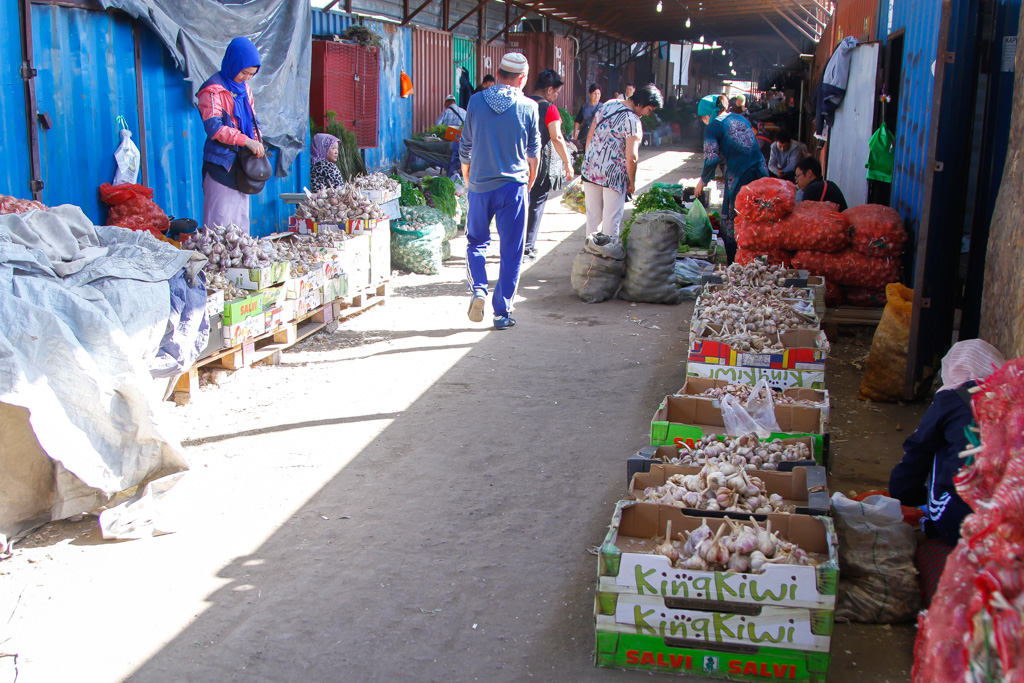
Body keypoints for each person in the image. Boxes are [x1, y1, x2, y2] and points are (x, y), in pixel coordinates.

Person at [889, 340, 1005, 603]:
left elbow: (917, 450)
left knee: (940, 445)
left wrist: (903, 492)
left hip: (959, 519)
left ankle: (934, 516)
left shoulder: (951, 399)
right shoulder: (1011, 401)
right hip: (1008, 521)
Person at [459, 52, 540, 331]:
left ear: (499, 72)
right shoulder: (528, 106)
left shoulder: (476, 100)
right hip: (514, 187)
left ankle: (479, 290)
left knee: (476, 242)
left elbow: (465, 144)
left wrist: (468, 174)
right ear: (522, 78)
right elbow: (534, 152)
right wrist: (530, 179)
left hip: (480, 186)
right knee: (511, 252)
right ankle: (501, 313)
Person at [197, 36, 265, 234]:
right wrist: (247, 141)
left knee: (240, 225)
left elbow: (254, 121)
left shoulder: (245, 90)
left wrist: (256, 137)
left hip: (242, 167)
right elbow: (214, 128)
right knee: (219, 225)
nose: (246, 78)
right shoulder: (212, 90)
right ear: (233, 63)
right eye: (244, 72)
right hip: (221, 166)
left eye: (251, 74)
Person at [580, 84, 663, 240]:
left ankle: (591, 258)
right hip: (613, 176)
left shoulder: (609, 104)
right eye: (649, 109)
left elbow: (590, 135)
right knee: (611, 222)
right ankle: (608, 259)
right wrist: (632, 181)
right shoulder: (633, 121)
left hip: (591, 170)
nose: (647, 114)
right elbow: (631, 157)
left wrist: (589, 161)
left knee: (593, 219)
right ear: (640, 103)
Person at [692, 93, 767, 263]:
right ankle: (760, 259)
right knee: (762, 212)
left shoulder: (713, 127)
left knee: (732, 219)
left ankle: (736, 263)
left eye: (702, 117)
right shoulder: (740, 119)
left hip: (740, 175)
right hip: (761, 171)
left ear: (707, 115)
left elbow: (711, 158)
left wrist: (702, 181)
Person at [524, 69, 575, 261]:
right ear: (549, 90)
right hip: (540, 165)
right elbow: (556, 136)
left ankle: (515, 244)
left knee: (520, 204)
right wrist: (567, 161)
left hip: (518, 162)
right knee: (536, 204)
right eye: (556, 93)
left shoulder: (523, 103)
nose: (556, 96)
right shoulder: (549, 109)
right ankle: (528, 246)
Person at [573, 84, 602, 150]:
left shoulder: (603, 107)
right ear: (590, 94)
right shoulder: (584, 107)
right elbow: (578, 120)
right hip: (585, 134)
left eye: (598, 94)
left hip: (597, 135)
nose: (597, 96)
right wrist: (575, 131)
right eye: (595, 93)